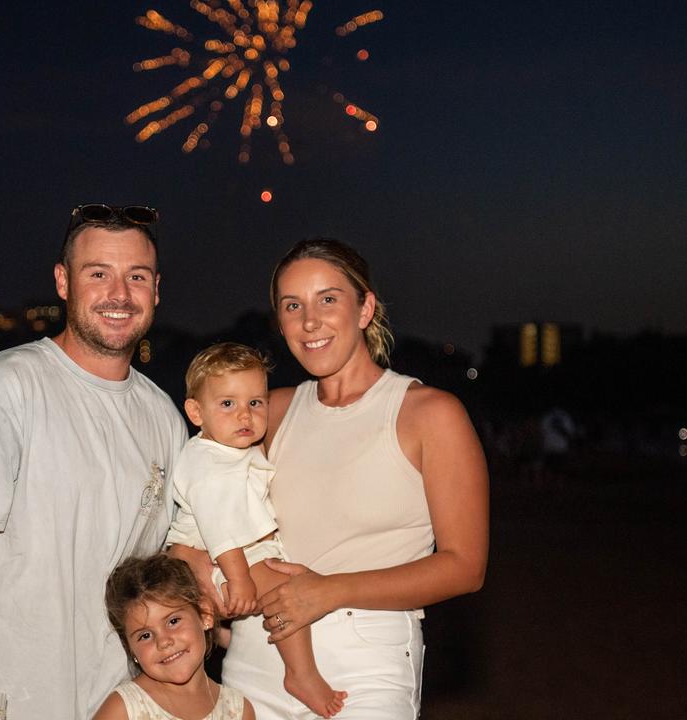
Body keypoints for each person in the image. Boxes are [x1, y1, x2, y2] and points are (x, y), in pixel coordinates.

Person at [174, 238, 489, 718]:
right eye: (292, 306)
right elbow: (203, 499)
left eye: (328, 299)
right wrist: (203, 576)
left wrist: (329, 589)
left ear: (365, 308)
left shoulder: (429, 414)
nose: (310, 321)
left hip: (366, 660)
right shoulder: (266, 413)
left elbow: (465, 566)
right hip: (258, 653)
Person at [0, 204, 188, 720]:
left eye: (137, 277)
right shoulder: (1, 389)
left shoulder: (164, 417)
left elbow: (164, 567)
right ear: (63, 282)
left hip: (119, 704)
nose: (119, 295)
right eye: (98, 274)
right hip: (8, 701)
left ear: (156, 289)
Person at [165, 343, 346, 717]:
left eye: (256, 403)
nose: (244, 415)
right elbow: (220, 526)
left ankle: (221, 632)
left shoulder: (233, 449)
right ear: (196, 412)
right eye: (227, 404)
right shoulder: (207, 461)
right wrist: (239, 578)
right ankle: (302, 674)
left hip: (234, 551)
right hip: (221, 555)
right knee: (285, 594)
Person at [94, 555, 257, 720]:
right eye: (145, 635)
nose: (163, 641)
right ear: (130, 648)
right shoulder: (124, 709)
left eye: (173, 621)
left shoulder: (238, 710)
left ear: (205, 615)